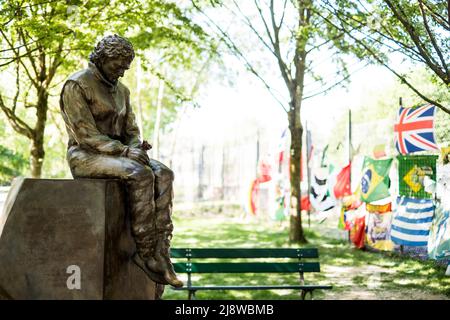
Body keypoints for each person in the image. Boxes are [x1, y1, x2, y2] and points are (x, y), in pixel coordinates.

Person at [59, 34, 183, 288]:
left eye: (126, 67)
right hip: (86, 156)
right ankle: (146, 252)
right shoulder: (76, 85)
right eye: (118, 66)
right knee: (141, 174)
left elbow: (132, 130)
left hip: (122, 155)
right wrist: (125, 152)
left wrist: (136, 147)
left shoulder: (122, 91)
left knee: (165, 173)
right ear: (103, 59)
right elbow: (85, 134)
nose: (122, 72)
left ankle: (162, 249)